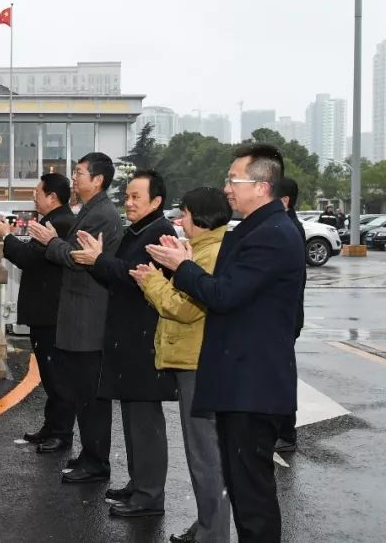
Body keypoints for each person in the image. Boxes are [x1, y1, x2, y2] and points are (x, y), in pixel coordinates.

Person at [148, 144, 303, 543]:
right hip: (244, 380)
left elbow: (222, 295)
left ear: (262, 186)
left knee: (252, 497)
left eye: (233, 180)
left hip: (253, 384)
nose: (227, 188)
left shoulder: (270, 235)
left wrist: (180, 267)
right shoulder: (257, 229)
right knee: (244, 486)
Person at [71, 170, 177, 519]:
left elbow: (131, 278)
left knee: (145, 422)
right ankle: (139, 483)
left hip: (143, 342)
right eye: (127, 196)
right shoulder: (140, 230)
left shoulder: (159, 232)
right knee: (133, 420)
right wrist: (98, 261)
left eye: (136, 197)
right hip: (129, 339)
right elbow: (118, 275)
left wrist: (99, 260)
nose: (128, 203)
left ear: (156, 202)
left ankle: (149, 495)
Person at [131, 187, 232, 543]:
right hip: (196, 358)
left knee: (205, 455)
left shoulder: (211, 253)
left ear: (202, 218)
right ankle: (207, 526)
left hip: (198, 361)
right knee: (205, 453)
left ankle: (212, 534)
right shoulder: (205, 249)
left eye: (185, 214)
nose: (179, 220)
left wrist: (153, 281)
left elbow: (186, 308)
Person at [28, 152, 122, 485]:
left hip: (88, 317)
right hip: (80, 314)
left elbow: (76, 258)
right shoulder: (91, 211)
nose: (76, 178)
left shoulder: (101, 215)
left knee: (91, 396)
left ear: (97, 180)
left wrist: (50, 241)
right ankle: (90, 455)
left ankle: (96, 462)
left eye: (80, 173)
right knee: (83, 393)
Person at [0, 173, 76, 453]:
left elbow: (28, 259)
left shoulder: (59, 223)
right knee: (51, 375)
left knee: (57, 376)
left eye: (38, 191)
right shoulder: (56, 220)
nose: (34, 196)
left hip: (51, 311)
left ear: (53, 196)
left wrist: (6, 236)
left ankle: (61, 433)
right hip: (47, 310)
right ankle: (52, 428)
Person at [275, 176, 306, 454]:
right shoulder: (286, 226)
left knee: (280, 375)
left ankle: (286, 432)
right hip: (286, 317)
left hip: (285, 317)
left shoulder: (289, 230)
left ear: (284, 201)